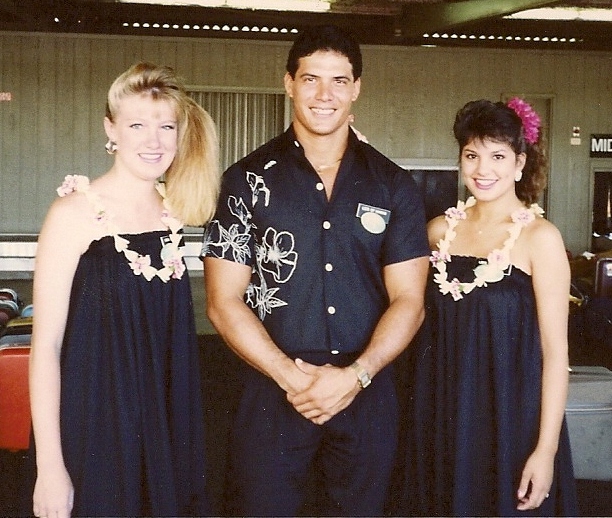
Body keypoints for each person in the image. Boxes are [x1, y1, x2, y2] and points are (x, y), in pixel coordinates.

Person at [201, 24, 429, 516]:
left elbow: (410, 301)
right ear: (289, 83)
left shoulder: (393, 185)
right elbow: (222, 301)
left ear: (357, 88)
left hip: (366, 388)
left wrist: (356, 376)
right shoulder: (245, 180)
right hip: (271, 388)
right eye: (311, 79)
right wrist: (290, 377)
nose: (325, 95)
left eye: (339, 81)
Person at [29, 62, 220, 517]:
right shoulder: (74, 213)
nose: (153, 141)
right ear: (110, 129)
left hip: (164, 427)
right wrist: (50, 467)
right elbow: (45, 348)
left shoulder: (177, 212)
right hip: (93, 428)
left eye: (165, 126)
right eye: (137, 124)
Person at [399, 98, 578, 516]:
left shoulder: (541, 239)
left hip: (509, 419)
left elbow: (556, 356)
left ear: (519, 163)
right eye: (472, 155)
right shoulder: (438, 231)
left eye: (498, 156)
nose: (483, 169)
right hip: (440, 411)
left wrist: (545, 450)